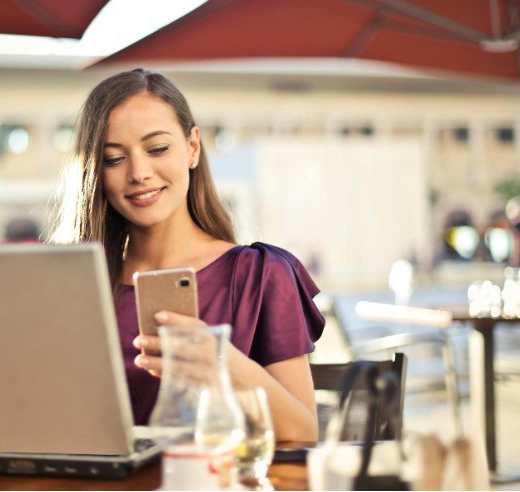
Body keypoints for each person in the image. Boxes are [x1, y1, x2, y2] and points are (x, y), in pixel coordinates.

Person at [51, 68, 324, 441]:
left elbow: (304, 430)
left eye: (157, 148)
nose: (139, 173)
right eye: (114, 158)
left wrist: (220, 363)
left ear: (192, 148)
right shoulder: (73, 285)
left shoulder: (259, 274)